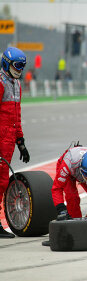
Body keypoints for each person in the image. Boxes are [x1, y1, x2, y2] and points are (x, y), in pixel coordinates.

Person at [0, 47, 29, 238]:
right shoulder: (1, 83)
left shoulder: (16, 84)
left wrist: (21, 141)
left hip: (9, 140)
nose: (20, 69)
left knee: (2, 182)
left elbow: (16, 117)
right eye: (17, 65)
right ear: (7, 63)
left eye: (23, 66)